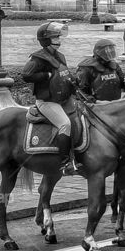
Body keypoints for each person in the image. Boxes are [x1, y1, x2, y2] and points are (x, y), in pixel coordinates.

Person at [22, 22, 80, 175]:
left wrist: (75, 81)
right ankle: (65, 162)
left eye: (59, 37)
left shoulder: (60, 56)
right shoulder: (38, 58)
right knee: (65, 124)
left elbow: (63, 74)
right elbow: (26, 75)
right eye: (55, 37)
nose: (58, 40)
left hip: (64, 99)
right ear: (46, 40)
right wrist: (45, 76)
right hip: (47, 102)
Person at [76, 38, 125, 103]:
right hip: (96, 106)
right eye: (107, 51)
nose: (110, 53)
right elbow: (81, 91)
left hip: (115, 104)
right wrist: (96, 102)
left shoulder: (114, 65)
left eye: (111, 50)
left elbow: (121, 82)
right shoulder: (87, 68)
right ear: (99, 52)